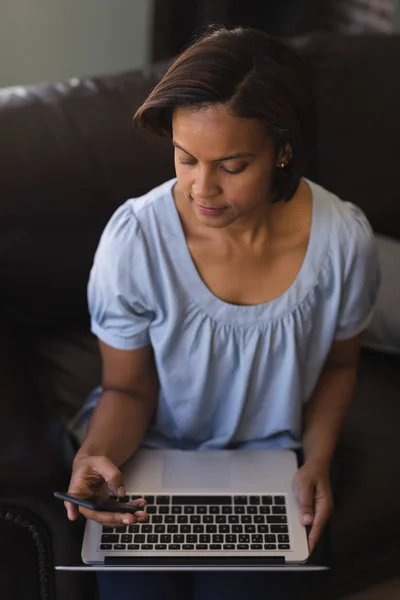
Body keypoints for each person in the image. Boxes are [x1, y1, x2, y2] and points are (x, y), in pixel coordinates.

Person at [64, 26, 380, 599]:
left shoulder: (343, 241)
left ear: (282, 150)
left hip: (271, 466)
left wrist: (318, 460)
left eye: (232, 166)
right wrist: (96, 455)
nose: (201, 189)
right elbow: (128, 390)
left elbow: (339, 367)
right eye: (186, 159)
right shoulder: (135, 238)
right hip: (150, 458)